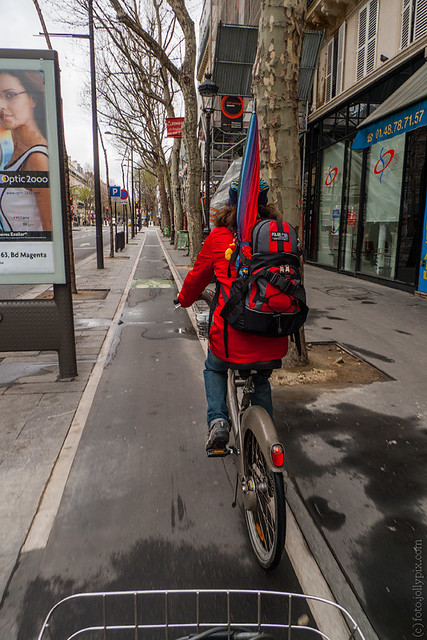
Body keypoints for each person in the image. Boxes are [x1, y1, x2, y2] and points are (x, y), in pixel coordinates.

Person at [177, 179, 289, 452]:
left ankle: (218, 421)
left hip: (231, 340)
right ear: (266, 203)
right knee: (260, 377)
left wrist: (183, 299)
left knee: (214, 367)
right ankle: (267, 435)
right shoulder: (283, 234)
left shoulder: (219, 237)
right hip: (274, 337)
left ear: (232, 204)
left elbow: (197, 278)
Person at [0, 69, 51, 233]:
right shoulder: (14, 154)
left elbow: (49, 230)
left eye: (10, 95)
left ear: (33, 99)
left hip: (27, 255)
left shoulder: (37, 158)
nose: (1, 106)